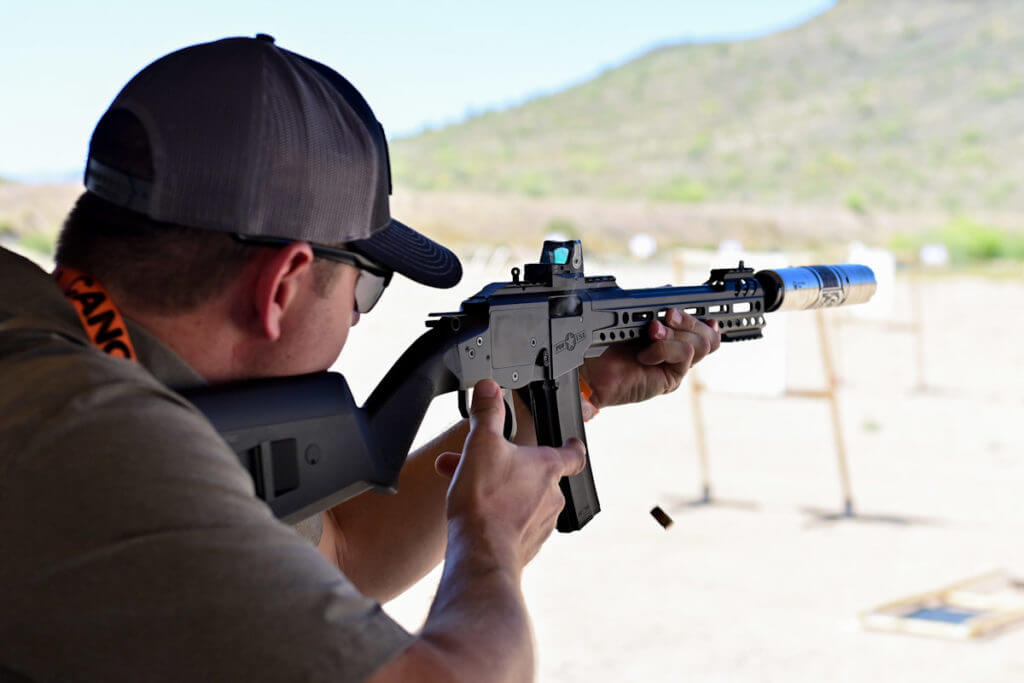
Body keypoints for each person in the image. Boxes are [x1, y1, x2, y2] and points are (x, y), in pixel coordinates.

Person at [0, 35, 720, 681]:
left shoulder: (49, 357)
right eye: (364, 288)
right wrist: (492, 542)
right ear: (281, 284)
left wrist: (567, 388)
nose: (356, 314)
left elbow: (337, 554)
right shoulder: (96, 443)